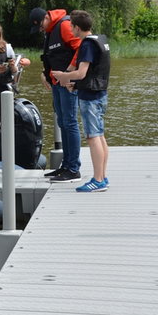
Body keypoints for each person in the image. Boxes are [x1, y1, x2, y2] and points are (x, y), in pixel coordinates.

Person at [52, 10, 110, 192]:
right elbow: (94, 73)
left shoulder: (86, 45)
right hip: (100, 95)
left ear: (77, 27)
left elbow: (82, 72)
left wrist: (63, 76)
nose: (70, 29)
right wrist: (75, 85)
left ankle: (98, 180)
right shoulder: (100, 39)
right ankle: (103, 176)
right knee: (99, 136)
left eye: (71, 27)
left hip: (90, 99)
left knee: (92, 138)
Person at [29, 7, 82, 182]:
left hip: (67, 83)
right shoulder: (50, 30)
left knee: (70, 122)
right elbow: (52, 56)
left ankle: (73, 168)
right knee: (62, 122)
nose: (41, 30)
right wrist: (45, 73)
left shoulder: (64, 26)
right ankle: (66, 166)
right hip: (56, 82)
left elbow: (80, 49)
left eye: (41, 26)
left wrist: (69, 74)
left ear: (46, 17)